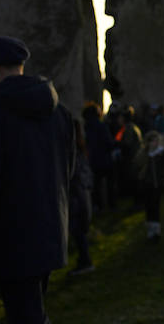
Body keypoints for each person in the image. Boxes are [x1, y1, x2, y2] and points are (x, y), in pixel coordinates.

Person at [0, 36, 75, 324]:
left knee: (25, 315)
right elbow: (68, 169)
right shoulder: (59, 113)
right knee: (33, 311)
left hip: (13, 233)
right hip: (51, 227)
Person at [134, 131, 164, 243]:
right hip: (147, 185)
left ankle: (156, 230)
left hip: (157, 185)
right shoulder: (144, 155)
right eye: (153, 141)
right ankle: (151, 229)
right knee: (149, 207)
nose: (155, 143)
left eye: (157, 141)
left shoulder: (160, 154)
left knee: (155, 207)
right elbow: (137, 167)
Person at [68, 118, 95, 275]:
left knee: (78, 231)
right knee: (79, 231)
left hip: (77, 195)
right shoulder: (80, 150)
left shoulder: (75, 154)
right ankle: (83, 260)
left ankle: (85, 261)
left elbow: (78, 177)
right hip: (81, 193)